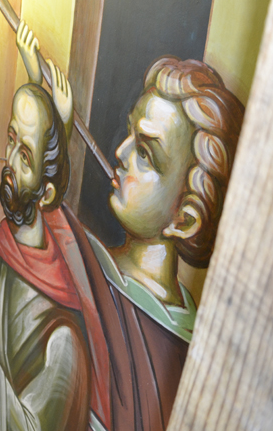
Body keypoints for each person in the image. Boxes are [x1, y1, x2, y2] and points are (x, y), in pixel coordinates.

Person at [0, 21, 110, 430]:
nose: (8, 162)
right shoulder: (8, 248)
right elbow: (1, 330)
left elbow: (34, 423)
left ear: (46, 192)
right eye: (11, 140)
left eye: (24, 155)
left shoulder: (63, 340)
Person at [71, 56, 245, 430]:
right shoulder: (85, 260)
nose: (120, 153)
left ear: (184, 219)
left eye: (145, 153)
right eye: (130, 133)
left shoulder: (189, 349)